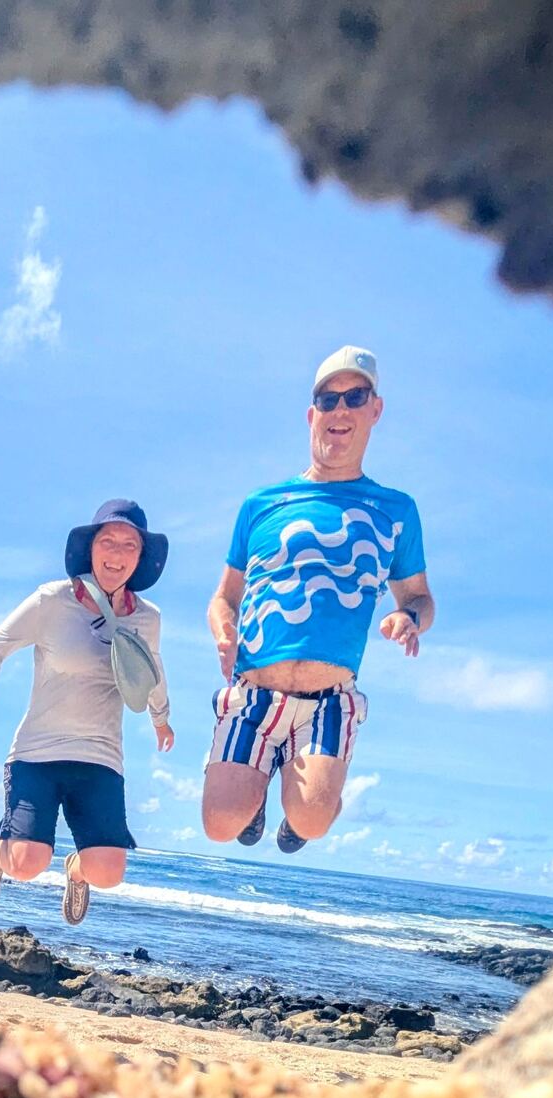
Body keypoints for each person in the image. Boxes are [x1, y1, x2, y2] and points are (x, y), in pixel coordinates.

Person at [202, 346, 434, 853]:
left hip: (329, 699)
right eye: (328, 400)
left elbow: (418, 596)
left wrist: (407, 617)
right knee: (220, 824)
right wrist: (224, 633)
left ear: (376, 410)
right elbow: (224, 598)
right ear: (312, 415)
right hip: (255, 691)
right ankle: (257, 790)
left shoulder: (396, 510)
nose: (340, 410)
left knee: (310, 822)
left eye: (355, 397)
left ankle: (301, 810)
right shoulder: (261, 504)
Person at [0, 499, 174, 925]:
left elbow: (152, 671)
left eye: (131, 546)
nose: (118, 554)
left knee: (109, 873)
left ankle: (76, 869)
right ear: (90, 548)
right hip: (38, 754)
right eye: (109, 541)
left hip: (102, 759)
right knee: (26, 862)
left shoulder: (148, 618)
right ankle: (0, 854)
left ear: (141, 558)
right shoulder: (52, 600)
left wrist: (161, 717)